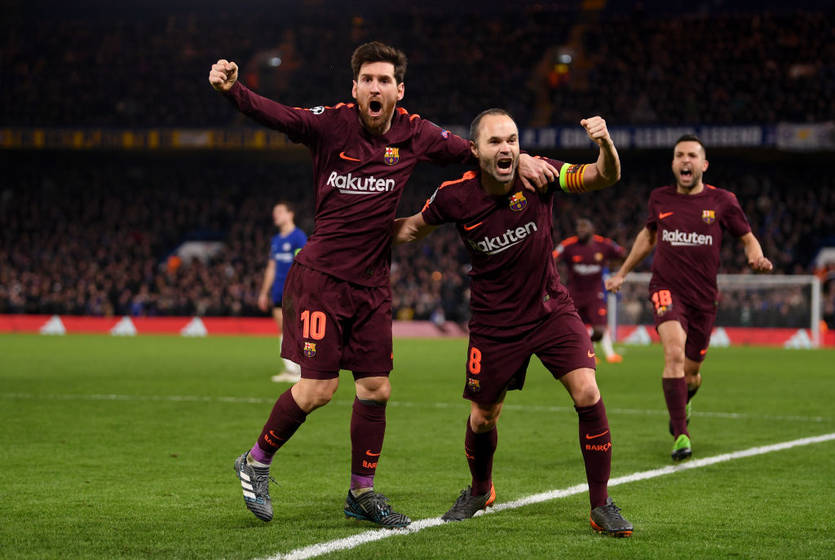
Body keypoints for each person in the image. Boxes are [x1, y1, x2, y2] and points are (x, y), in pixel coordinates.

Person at [209, 41, 557, 527]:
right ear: (355, 88)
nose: (376, 88)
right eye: (368, 80)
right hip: (322, 280)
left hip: (373, 286)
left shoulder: (415, 133)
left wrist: (519, 160)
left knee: (375, 388)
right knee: (319, 389)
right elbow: (281, 116)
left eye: (385, 80)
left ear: (399, 90)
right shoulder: (331, 125)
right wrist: (235, 91)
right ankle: (255, 461)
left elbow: (475, 150)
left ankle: (361, 493)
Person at [393, 108, 633, 537]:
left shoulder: (540, 174)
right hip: (494, 324)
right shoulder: (453, 196)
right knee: (483, 418)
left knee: (587, 391)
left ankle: (601, 504)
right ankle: (480, 490)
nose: (506, 148)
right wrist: (354, 234)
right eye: (495, 141)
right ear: (475, 150)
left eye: (512, 140)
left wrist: (605, 144)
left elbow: (603, 176)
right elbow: (411, 230)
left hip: (550, 309)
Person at [605, 134, 772, 461]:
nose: (685, 160)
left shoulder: (723, 201)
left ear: (703, 164)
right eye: (680, 155)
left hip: (703, 299)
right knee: (673, 355)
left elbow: (747, 237)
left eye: (692, 156)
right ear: (673, 163)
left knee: (692, 373)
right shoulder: (660, 198)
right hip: (666, 288)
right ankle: (681, 434)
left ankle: (684, 400)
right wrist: (622, 272)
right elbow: (648, 236)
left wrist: (757, 257)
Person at [554, 218, 625, 363]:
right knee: (569, 328)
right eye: (579, 228)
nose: (580, 230)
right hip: (574, 294)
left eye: (584, 228)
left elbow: (622, 254)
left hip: (595, 294)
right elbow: (552, 258)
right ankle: (582, 353)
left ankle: (587, 348)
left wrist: (614, 268)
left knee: (599, 331)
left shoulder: (604, 244)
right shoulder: (568, 245)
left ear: (592, 230)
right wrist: (556, 276)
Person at [257, 201, 307, 383]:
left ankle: (300, 369)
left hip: (294, 290)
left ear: (290, 214)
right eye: (274, 212)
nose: (275, 215)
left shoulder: (298, 237)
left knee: (295, 328)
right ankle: (292, 369)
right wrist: (264, 292)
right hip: (278, 290)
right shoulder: (276, 240)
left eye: (279, 211)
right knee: (283, 329)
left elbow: (303, 264)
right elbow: (271, 267)